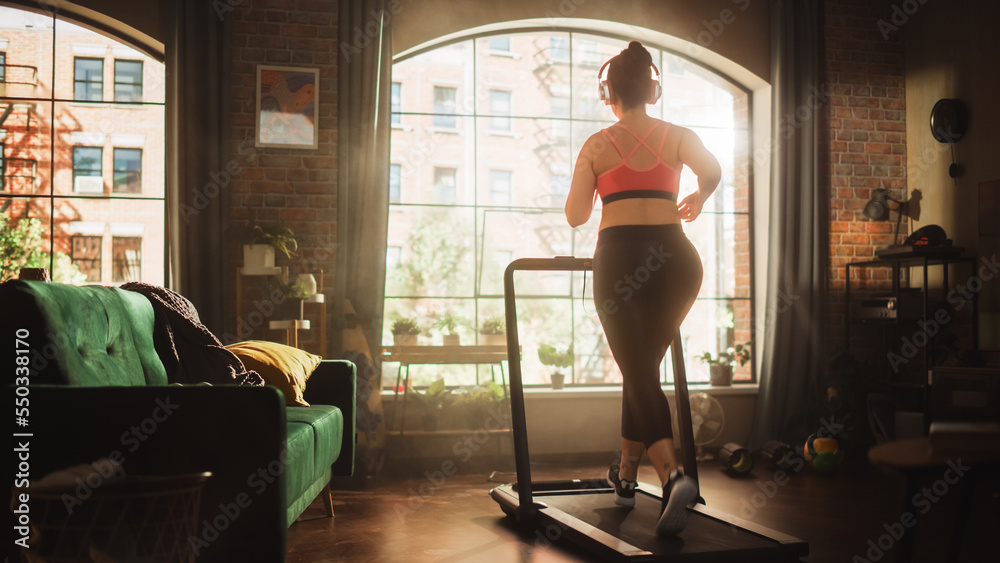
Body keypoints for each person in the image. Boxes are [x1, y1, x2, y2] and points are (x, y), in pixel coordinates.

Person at [564, 41, 721, 536]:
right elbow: (713, 170)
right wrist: (697, 195)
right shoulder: (677, 135)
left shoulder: (597, 144)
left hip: (622, 262)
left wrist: (591, 177)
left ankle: (673, 476)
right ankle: (626, 473)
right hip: (678, 263)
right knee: (642, 370)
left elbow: (575, 216)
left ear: (610, 93)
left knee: (637, 369)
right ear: (652, 90)